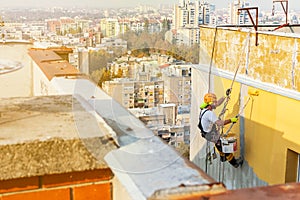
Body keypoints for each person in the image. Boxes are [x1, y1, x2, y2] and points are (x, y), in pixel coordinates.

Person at [198, 92, 243, 168]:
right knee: (224, 146)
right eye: (214, 102)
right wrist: (231, 120)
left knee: (219, 144)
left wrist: (225, 96)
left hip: (207, 132)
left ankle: (222, 157)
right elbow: (220, 123)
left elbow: (218, 103)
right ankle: (235, 163)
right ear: (210, 104)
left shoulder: (204, 108)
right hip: (210, 134)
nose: (215, 103)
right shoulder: (209, 114)